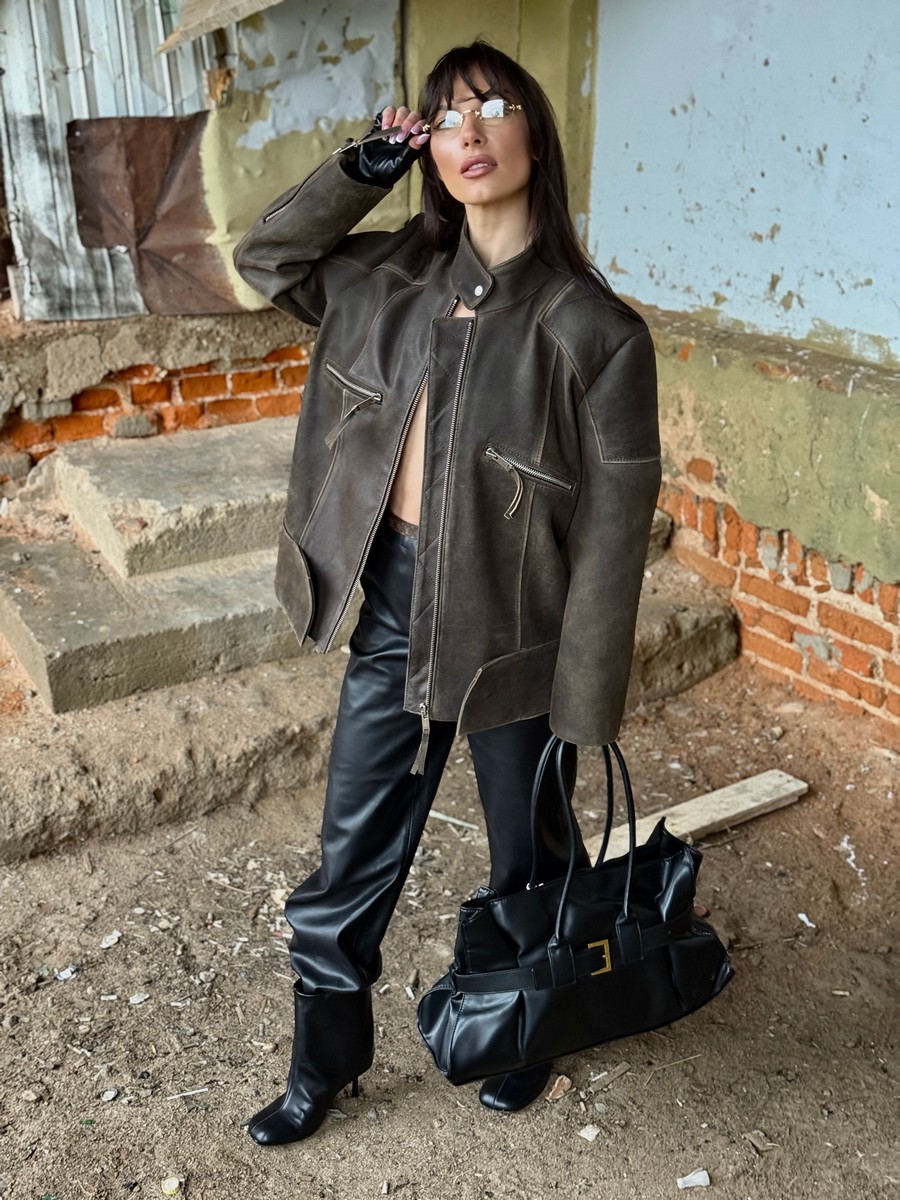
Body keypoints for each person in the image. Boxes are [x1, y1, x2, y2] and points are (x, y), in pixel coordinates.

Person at [233, 40, 660, 1146]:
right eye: (446, 118)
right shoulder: (386, 278)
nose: (469, 132)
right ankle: (322, 1065)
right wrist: (362, 166)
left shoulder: (595, 333)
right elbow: (268, 257)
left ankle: (527, 1030)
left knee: (531, 853)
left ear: (535, 138)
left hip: (518, 632)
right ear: (428, 152)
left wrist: (584, 706)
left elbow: (613, 540)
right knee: (348, 858)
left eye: (494, 107)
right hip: (393, 605)